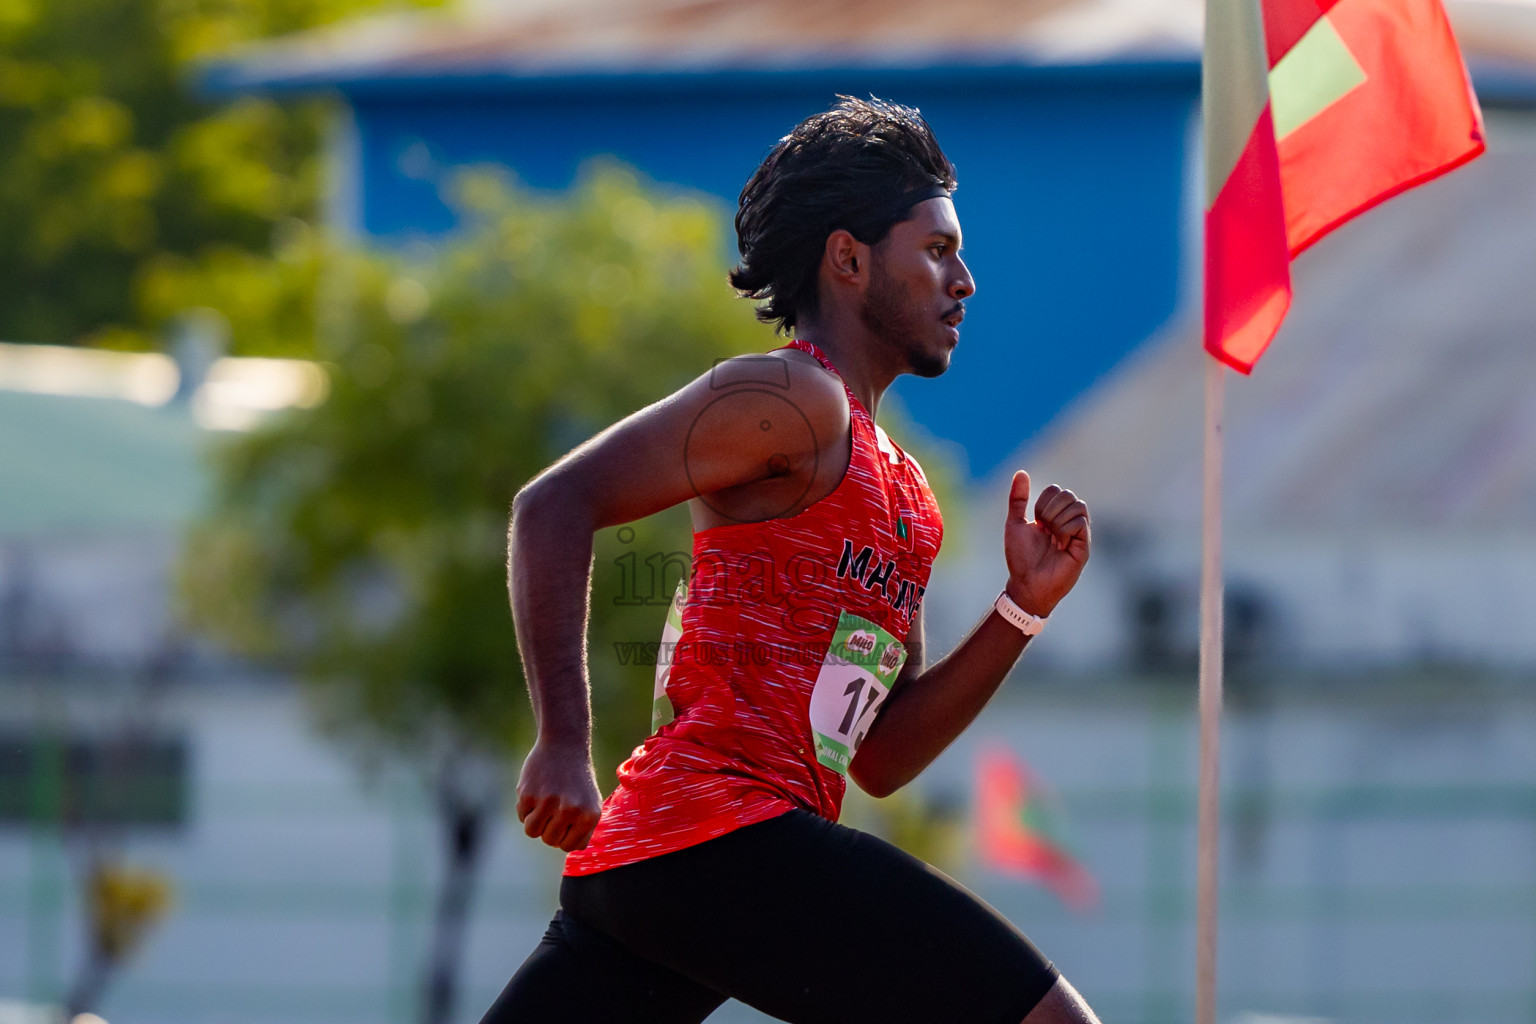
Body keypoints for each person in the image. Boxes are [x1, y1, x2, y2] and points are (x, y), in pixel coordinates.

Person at [484, 96, 1099, 1024]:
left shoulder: (906, 493)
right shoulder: (794, 397)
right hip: (713, 834)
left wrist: (1022, 609)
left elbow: (880, 756)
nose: (965, 280)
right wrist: (564, 742)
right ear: (849, 259)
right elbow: (554, 505)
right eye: (937, 250)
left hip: (678, 864)